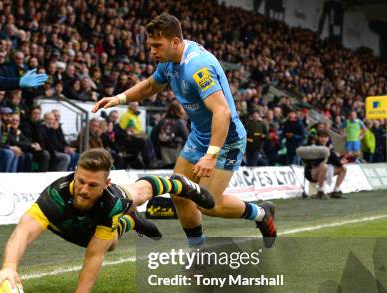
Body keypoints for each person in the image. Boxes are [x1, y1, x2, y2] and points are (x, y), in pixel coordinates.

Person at [92, 13, 276, 248]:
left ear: (175, 42)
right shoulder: (169, 61)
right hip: (199, 135)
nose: (152, 51)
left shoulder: (197, 67)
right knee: (179, 192)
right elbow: (150, 85)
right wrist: (118, 99)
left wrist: (211, 155)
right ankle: (198, 252)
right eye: (150, 46)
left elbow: (222, 112)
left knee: (209, 204)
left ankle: (262, 214)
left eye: (157, 46)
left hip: (226, 138)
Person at [0, 148, 214, 293]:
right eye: (81, 181)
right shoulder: (56, 195)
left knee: (138, 197)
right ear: (75, 172)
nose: (84, 189)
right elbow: (23, 231)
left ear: (106, 184)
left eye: (93, 185)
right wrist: (8, 267)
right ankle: (131, 222)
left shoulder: (111, 201)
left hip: (98, 218)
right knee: (110, 240)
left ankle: (180, 184)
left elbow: (93, 257)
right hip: (63, 223)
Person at [305, 130, 347, 199]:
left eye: (325, 137)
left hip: (324, 171)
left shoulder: (329, 148)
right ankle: (320, 192)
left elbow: (336, 162)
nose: (323, 139)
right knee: (324, 166)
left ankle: (335, 191)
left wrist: (341, 162)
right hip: (312, 173)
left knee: (343, 169)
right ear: (318, 138)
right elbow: (314, 163)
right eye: (321, 137)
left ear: (328, 139)